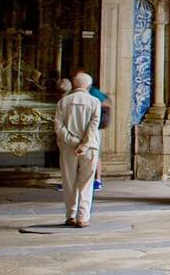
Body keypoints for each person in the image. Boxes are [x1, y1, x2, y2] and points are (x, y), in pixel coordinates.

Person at [55, 72, 103, 228]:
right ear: (88, 85)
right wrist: (84, 145)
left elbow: (59, 127)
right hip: (89, 148)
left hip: (68, 148)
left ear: (74, 85)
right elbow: (93, 126)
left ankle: (70, 215)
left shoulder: (63, 102)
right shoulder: (95, 102)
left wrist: (74, 142)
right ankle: (82, 217)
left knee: (69, 181)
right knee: (87, 182)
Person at [71, 69, 108, 192]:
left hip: (91, 128)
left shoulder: (93, 92)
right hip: (84, 127)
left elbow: (105, 103)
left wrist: (100, 119)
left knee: (94, 154)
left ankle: (97, 180)